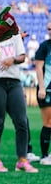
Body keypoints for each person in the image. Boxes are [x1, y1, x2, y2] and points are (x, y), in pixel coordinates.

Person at [0, 33, 37, 173]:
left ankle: (22, 159)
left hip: (14, 82)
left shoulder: (14, 34)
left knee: (22, 121)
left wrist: (12, 59)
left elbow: (22, 56)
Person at [34, 21, 51, 166]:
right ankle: (45, 156)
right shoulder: (44, 46)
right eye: (49, 29)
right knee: (48, 122)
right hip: (46, 89)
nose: (50, 31)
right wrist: (42, 88)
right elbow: (39, 68)